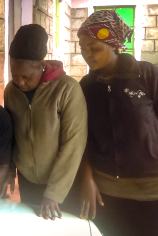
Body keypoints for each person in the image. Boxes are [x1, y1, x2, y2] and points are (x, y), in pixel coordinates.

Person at [78, 10, 158, 236]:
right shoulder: (86, 87)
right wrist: (87, 179)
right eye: (83, 48)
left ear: (114, 45)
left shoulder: (146, 75)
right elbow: (81, 138)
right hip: (106, 192)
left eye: (95, 48)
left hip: (151, 192)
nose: (87, 54)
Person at [4, 24, 88, 220]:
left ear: (41, 65)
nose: (20, 82)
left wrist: (54, 193)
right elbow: (9, 135)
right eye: (14, 75)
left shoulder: (67, 90)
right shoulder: (11, 91)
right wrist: (9, 168)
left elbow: (73, 144)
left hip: (63, 185)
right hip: (27, 181)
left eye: (26, 76)